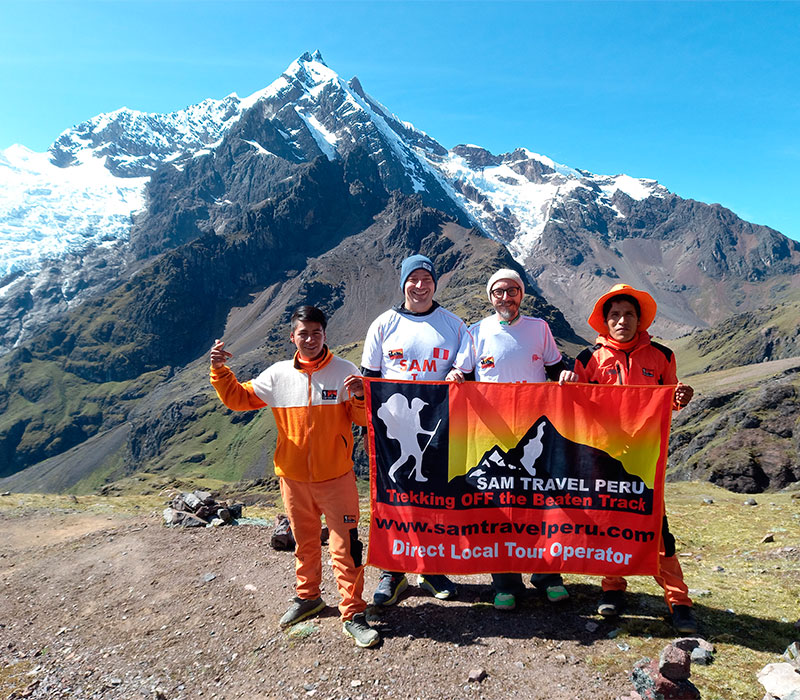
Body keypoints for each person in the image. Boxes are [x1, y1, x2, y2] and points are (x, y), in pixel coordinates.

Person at [209, 306, 380, 648]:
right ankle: (308, 598)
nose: (311, 339)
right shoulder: (276, 375)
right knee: (303, 543)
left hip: (337, 478)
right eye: (304, 333)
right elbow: (239, 399)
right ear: (293, 337)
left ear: (325, 335)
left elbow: (363, 420)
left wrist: (361, 395)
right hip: (293, 479)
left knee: (346, 547)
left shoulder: (345, 372)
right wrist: (219, 371)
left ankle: (353, 613)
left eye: (316, 333)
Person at [573, 283, 698, 635]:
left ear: (639, 319)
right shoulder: (588, 360)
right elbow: (571, 406)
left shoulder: (662, 355)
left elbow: (670, 397)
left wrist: (681, 397)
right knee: (609, 521)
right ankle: (612, 588)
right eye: (615, 315)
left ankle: (679, 602)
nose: (622, 320)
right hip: (604, 458)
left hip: (646, 459)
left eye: (628, 314)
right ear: (605, 321)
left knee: (658, 530)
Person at [361, 254, 474, 606]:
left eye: (427, 279)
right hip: (392, 431)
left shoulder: (454, 325)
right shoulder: (383, 324)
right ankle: (391, 572)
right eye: (414, 279)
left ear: (435, 283)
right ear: (403, 283)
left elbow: (467, 370)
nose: (420, 286)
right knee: (393, 499)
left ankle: (431, 568)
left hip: (439, 429)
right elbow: (370, 379)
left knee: (435, 498)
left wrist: (457, 374)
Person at [468, 268, 578, 611]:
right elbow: (465, 373)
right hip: (491, 436)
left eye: (512, 291)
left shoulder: (539, 329)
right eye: (499, 291)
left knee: (541, 505)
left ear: (522, 294)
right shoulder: (476, 332)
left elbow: (553, 368)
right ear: (490, 297)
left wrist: (565, 376)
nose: (506, 297)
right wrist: (457, 374)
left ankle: (548, 577)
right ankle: (504, 583)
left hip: (534, 436)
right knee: (498, 510)